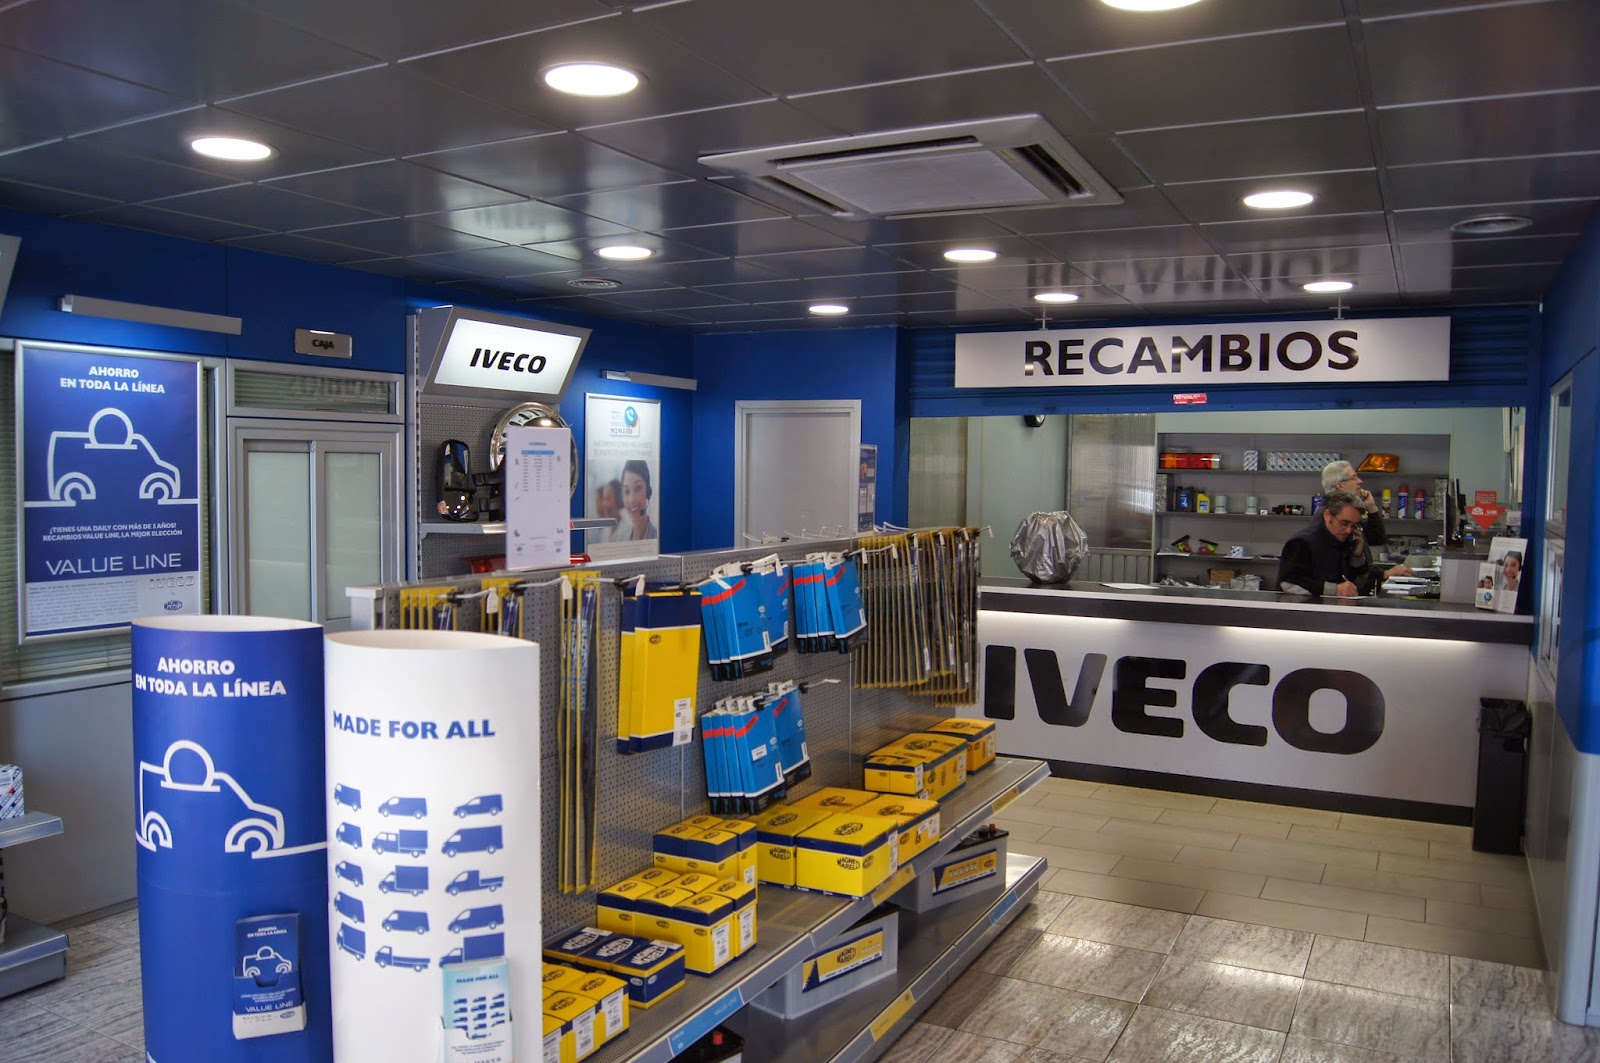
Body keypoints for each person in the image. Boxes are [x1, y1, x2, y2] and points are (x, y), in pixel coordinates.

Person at [1321, 460, 1413, 579]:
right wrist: (1383, 574)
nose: (1360, 481)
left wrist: (1371, 508)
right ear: (1340, 485)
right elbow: (1344, 562)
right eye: (1354, 478)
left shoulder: (1348, 511)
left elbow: (1376, 539)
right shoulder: (1330, 515)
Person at [1276, 489, 1374, 598]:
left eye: (1354, 525)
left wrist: (1357, 557)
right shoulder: (1301, 543)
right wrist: (1334, 589)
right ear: (1327, 516)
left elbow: (1358, 585)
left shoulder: (1348, 541)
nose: (1348, 530)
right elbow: (1288, 583)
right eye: (1344, 523)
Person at [620, 460, 658, 541]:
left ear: (648, 492)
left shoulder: (657, 538)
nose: (631, 500)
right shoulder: (621, 537)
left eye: (637, 488)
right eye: (627, 491)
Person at [591, 478, 622, 543]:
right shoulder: (606, 529)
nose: (603, 504)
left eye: (607, 498)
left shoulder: (629, 528)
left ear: (619, 500)